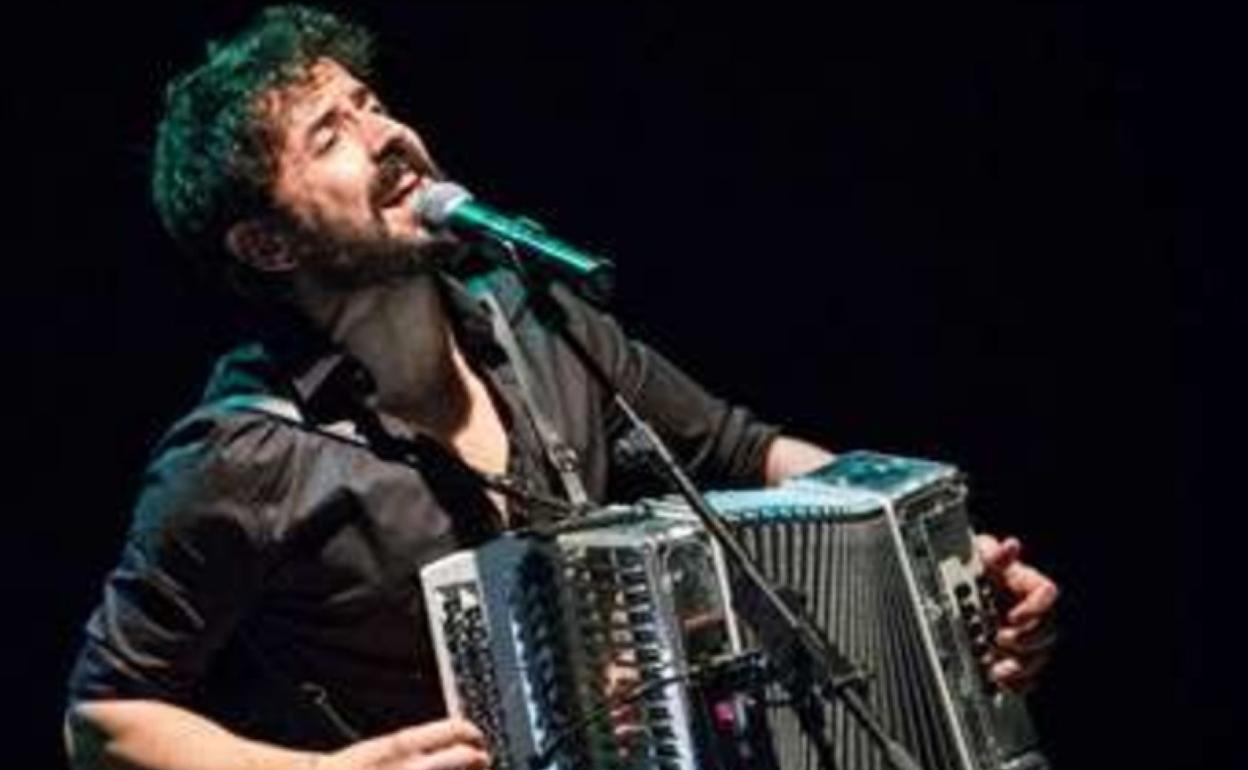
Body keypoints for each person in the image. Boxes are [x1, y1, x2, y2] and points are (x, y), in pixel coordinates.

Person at [64, 6, 1059, 770]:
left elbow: (741, 449)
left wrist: (931, 557)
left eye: (369, 101)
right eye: (328, 134)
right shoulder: (241, 455)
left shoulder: (538, 319)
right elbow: (105, 715)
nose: (385, 132)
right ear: (267, 244)